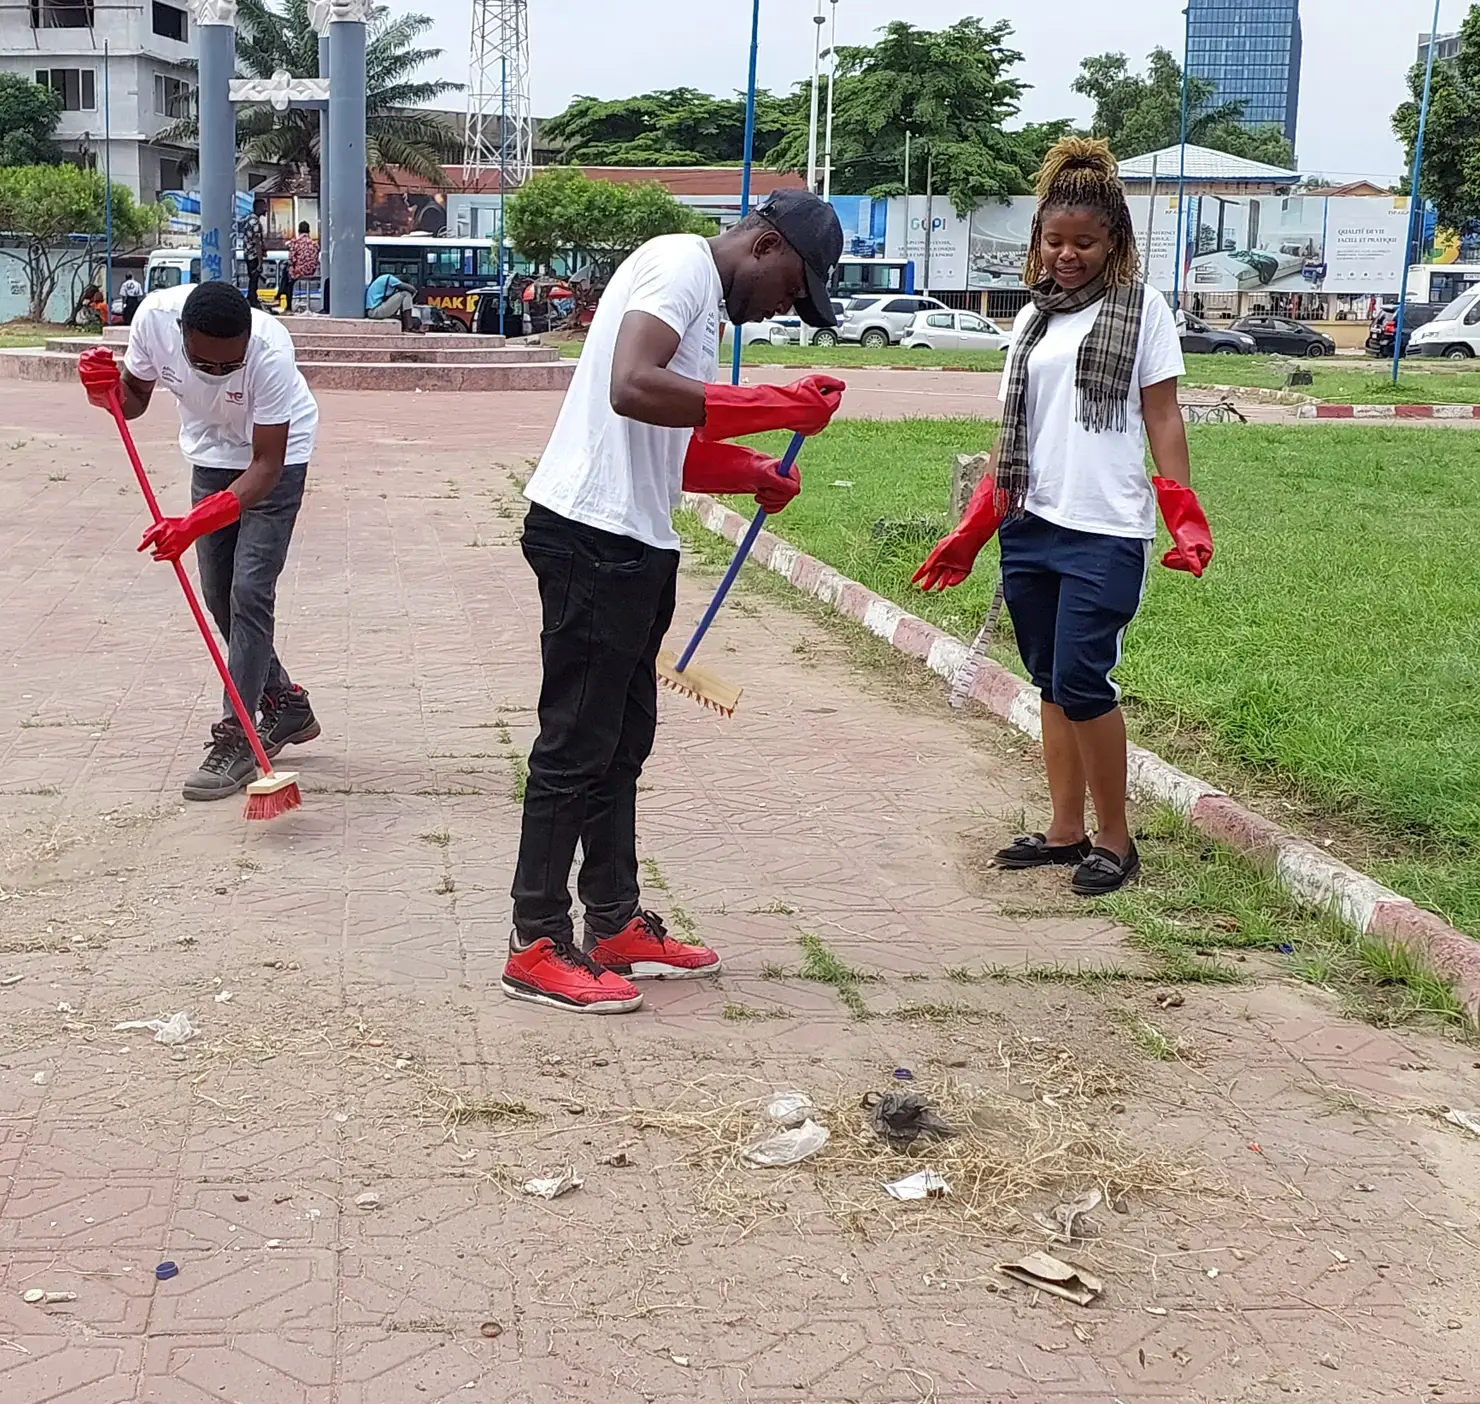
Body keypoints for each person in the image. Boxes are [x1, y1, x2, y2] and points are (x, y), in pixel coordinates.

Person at [504, 190, 846, 1015]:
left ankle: (615, 920)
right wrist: (772, 405)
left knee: (621, 744)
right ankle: (536, 941)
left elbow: (674, 445)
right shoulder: (678, 266)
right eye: (793, 288)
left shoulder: (704, 307)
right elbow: (631, 385)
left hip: (634, 541)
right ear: (766, 245)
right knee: (575, 742)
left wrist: (754, 470)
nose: (784, 308)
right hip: (589, 533)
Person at [913, 138, 1211, 898]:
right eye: (1054, 241)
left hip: (1105, 528)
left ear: (1114, 241)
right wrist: (974, 529)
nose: (1067, 255)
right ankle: (1064, 829)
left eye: (1083, 242)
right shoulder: (1031, 322)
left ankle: (1117, 839)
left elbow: (1164, 416)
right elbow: (1016, 433)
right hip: (1032, 524)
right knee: (1049, 679)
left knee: (1084, 678)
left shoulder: (1142, 310)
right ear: (1037, 243)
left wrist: (1183, 512)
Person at [96, 280, 322, 801]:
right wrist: (101, 389)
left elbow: (266, 466)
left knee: (250, 591)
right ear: (181, 337)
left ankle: (238, 735)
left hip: (275, 460)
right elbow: (132, 401)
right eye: (206, 366)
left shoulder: (270, 353)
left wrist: (193, 523)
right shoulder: (153, 319)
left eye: (229, 366)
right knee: (219, 593)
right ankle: (285, 702)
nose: (219, 375)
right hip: (209, 455)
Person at [286, 221, 320, 311]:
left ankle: (288, 305)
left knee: (287, 276)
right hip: (311, 271)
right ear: (309, 231)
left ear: (298, 231)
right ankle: (280, 292)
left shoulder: (295, 242)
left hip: (299, 272)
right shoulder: (314, 244)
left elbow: (291, 260)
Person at [242, 219, 270, 311]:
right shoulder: (255, 223)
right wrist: (260, 261)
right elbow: (257, 243)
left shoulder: (248, 221)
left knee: (252, 279)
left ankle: (251, 299)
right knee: (254, 279)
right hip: (253, 256)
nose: (266, 209)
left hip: (248, 255)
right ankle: (252, 301)